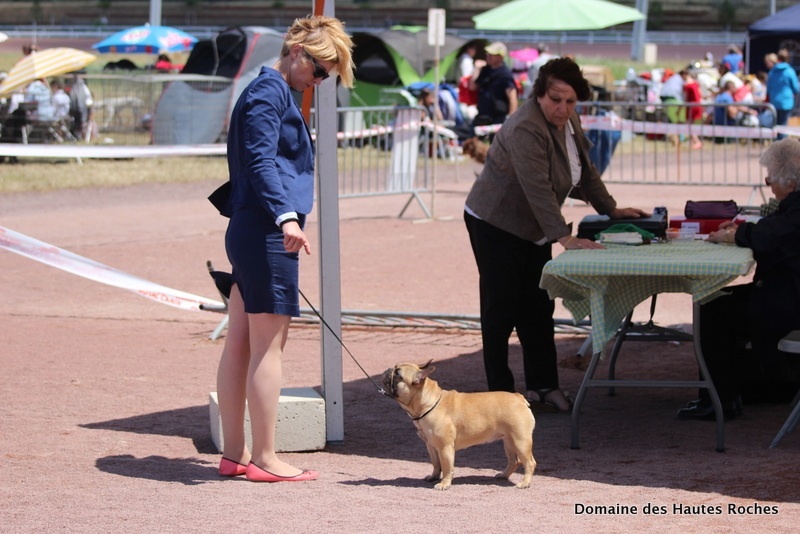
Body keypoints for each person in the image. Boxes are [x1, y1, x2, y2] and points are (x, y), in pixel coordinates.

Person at [214, 15, 354, 483]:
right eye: (319, 69)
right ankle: (265, 456)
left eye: (326, 75)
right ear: (297, 52)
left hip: (250, 229)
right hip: (267, 232)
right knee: (267, 349)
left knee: (240, 344)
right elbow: (259, 160)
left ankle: (236, 453)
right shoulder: (270, 93)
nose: (319, 80)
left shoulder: (265, 92)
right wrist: (286, 215)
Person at [463, 57, 648, 412]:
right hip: (494, 221)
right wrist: (565, 238)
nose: (563, 108)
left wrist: (611, 209)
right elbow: (538, 190)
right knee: (501, 308)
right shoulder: (525, 129)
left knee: (537, 306)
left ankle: (544, 387)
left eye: (571, 101)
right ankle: (499, 399)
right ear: (539, 95)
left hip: (534, 227)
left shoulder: (568, 119)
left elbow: (586, 169)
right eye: (555, 100)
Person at [677, 138, 800, 421]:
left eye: (771, 180)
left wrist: (734, 234)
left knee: (713, 307)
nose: (768, 182)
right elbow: (775, 228)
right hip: (789, 295)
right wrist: (740, 230)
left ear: (790, 184)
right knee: (722, 303)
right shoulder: (794, 205)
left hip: (790, 303)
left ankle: (718, 400)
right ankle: (729, 390)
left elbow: (774, 235)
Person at [469, 41, 518, 127]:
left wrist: (511, 120)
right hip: (482, 116)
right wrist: (477, 69)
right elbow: (472, 87)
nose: (488, 56)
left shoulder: (505, 74)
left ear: (500, 57)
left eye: (492, 54)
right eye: (488, 54)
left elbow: (512, 97)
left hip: (498, 118)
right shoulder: (485, 70)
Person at [766, 49, 800, 140]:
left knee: (775, 126)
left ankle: (776, 147)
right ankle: (782, 149)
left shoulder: (772, 71)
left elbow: (768, 88)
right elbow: (796, 88)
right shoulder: (790, 71)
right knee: (783, 126)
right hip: (786, 102)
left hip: (774, 101)